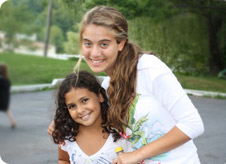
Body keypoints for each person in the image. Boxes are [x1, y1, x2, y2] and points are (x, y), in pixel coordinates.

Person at [49, 6, 204, 163]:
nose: (94, 53)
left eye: (104, 44)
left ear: (120, 44)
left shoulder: (148, 68)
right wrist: (61, 120)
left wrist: (139, 154)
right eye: (88, 44)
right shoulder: (106, 88)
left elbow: (193, 124)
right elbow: (90, 115)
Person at [52, 71, 132, 163]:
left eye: (84, 100)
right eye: (72, 106)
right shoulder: (67, 136)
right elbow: (63, 159)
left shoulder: (122, 132)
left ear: (100, 96)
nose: (80, 110)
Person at [0, 63, 16, 129]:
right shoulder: (6, 79)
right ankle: (13, 121)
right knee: (6, 110)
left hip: (1, 97)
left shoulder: (1, 79)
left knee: (6, 110)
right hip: (5, 97)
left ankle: (13, 122)